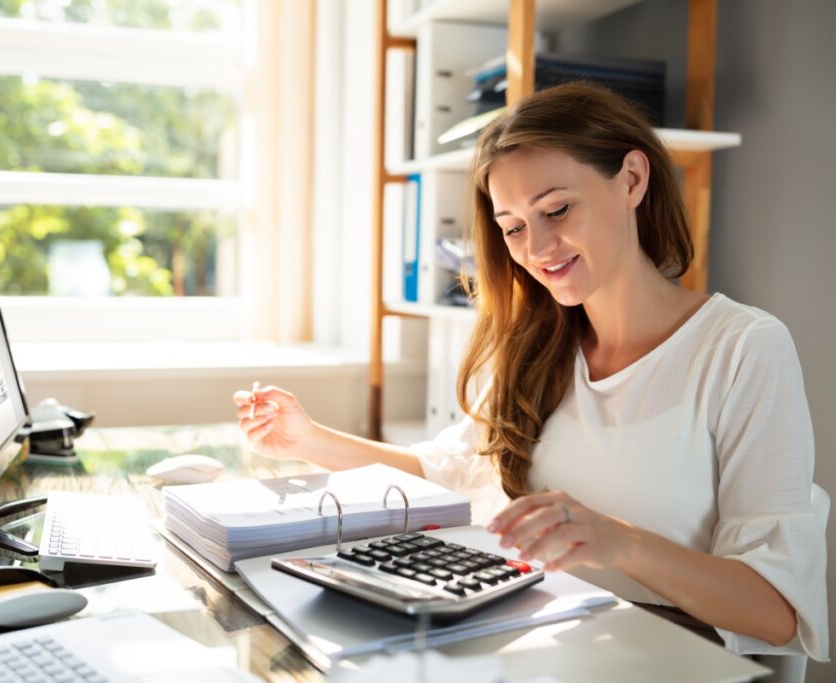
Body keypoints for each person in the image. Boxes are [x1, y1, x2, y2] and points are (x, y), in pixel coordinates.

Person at [232, 83, 827, 660]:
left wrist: (618, 540)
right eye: (514, 226)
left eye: (557, 209)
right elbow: (455, 471)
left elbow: (776, 612)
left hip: (664, 652)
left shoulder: (743, 348)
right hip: (542, 629)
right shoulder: (538, 344)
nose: (538, 247)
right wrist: (308, 439)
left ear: (632, 180)